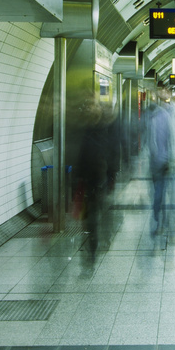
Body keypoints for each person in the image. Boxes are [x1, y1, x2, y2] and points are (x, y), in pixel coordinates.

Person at [72, 96, 123, 271]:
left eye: (92, 105)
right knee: (90, 216)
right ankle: (92, 248)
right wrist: (78, 178)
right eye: (88, 105)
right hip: (88, 177)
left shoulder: (107, 126)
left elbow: (114, 150)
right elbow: (82, 153)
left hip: (102, 176)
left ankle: (99, 241)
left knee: (98, 212)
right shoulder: (86, 127)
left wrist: (112, 174)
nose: (89, 108)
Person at [144, 88, 175, 248]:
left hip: (166, 163)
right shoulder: (155, 115)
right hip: (159, 163)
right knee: (162, 195)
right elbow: (149, 140)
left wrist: (173, 159)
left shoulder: (168, 115)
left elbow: (174, 139)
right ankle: (162, 224)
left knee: (163, 195)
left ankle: (163, 225)